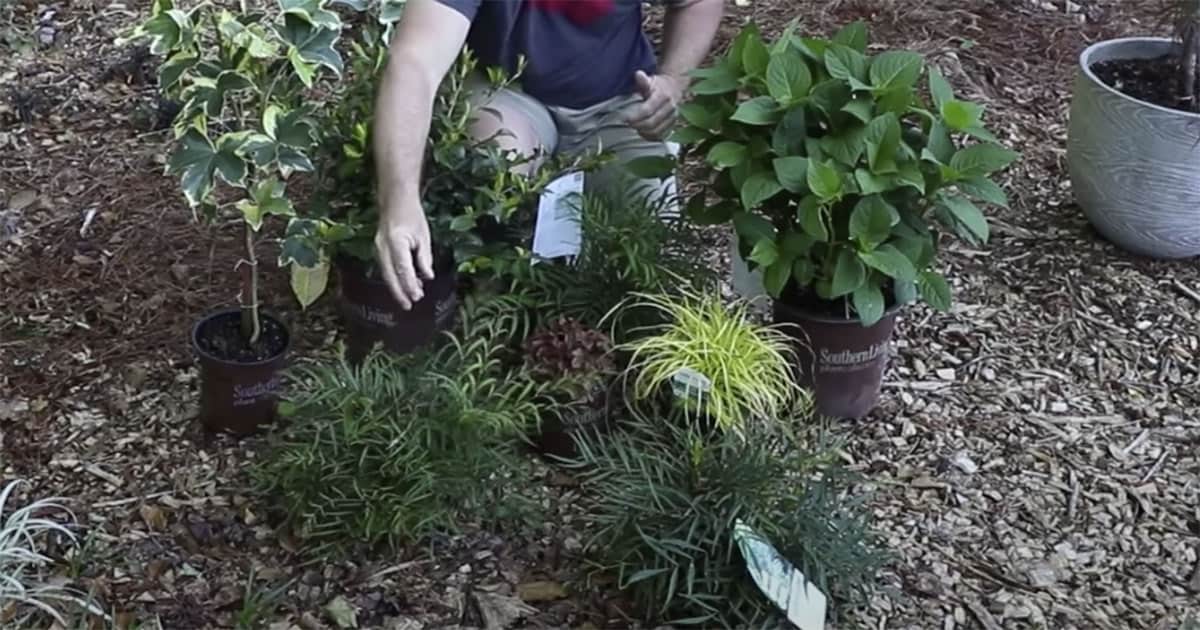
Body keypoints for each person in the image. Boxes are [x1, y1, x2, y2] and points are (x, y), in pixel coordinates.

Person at [372, 0, 725, 309]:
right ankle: (494, 291)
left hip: (619, 104)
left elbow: (696, 4)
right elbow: (415, 61)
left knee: (648, 256)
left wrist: (673, 83)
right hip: (507, 92)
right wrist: (400, 202)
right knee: (499, 163)